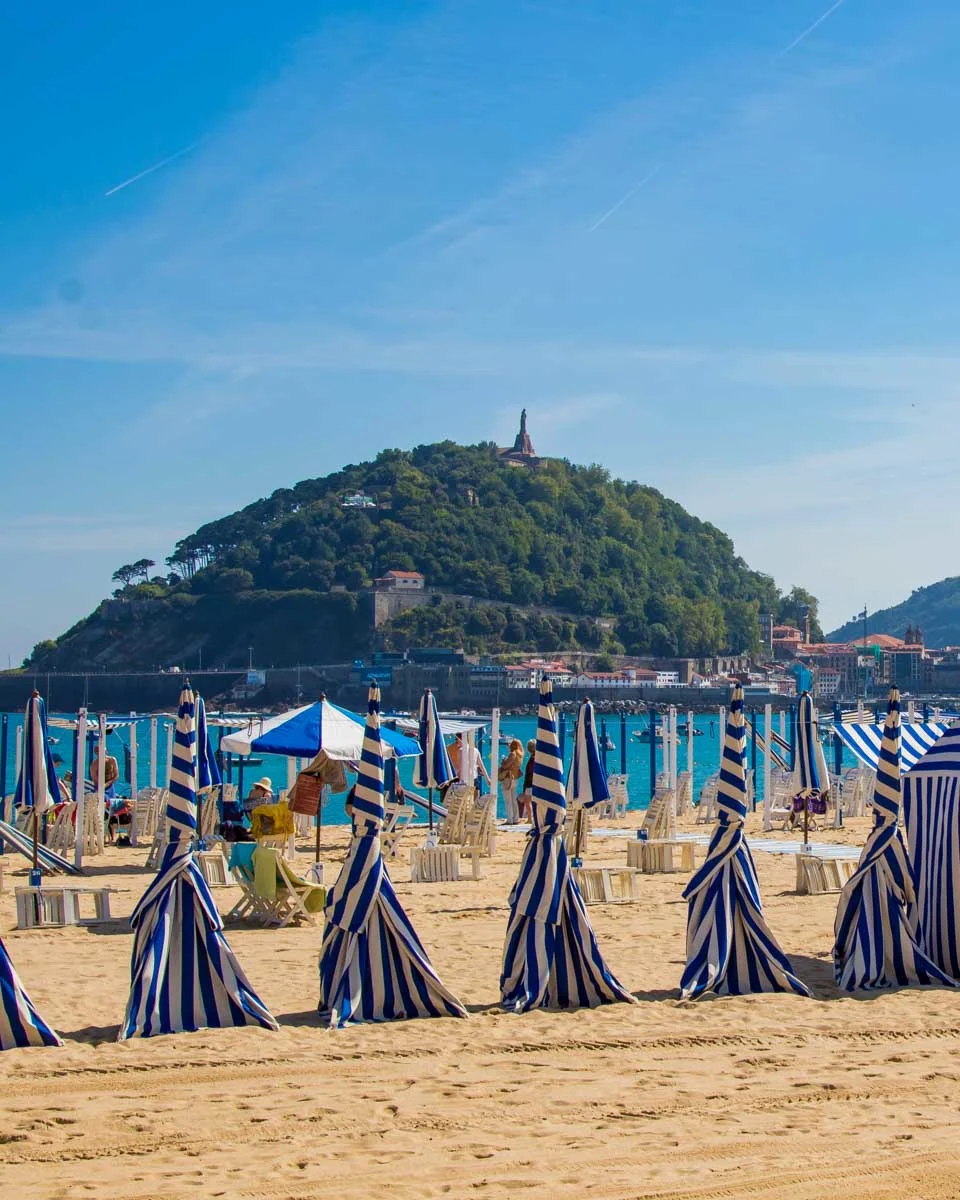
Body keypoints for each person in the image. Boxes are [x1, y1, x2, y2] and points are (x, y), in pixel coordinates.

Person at [451, 732, 490, 798]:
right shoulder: (476, 750)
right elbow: (482, 766)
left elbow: (459, 769)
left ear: (461, 739)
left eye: (456, 739)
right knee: (474, 801)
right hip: (474, 778)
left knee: (464, 802)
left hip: (465, 780)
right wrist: (488, 779)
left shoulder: (460, 751)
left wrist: (451, 777)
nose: (456, 741)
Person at [498, 738, 524, 823]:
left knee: (508, 800)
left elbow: (506, 766)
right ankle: (515, 818)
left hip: (508, 778)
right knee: (513, 799)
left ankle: (510, 819)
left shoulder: (513, 754)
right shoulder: (520, 755)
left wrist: (503, 761)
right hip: (515, 778)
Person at [518, 738, 536, 821]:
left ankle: (529, 818)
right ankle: (533, 818)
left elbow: (529, 774)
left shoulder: (531, 760)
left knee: (528, 802)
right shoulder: (537, 759)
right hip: (536, 784)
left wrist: (524, 787)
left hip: (530, 783)